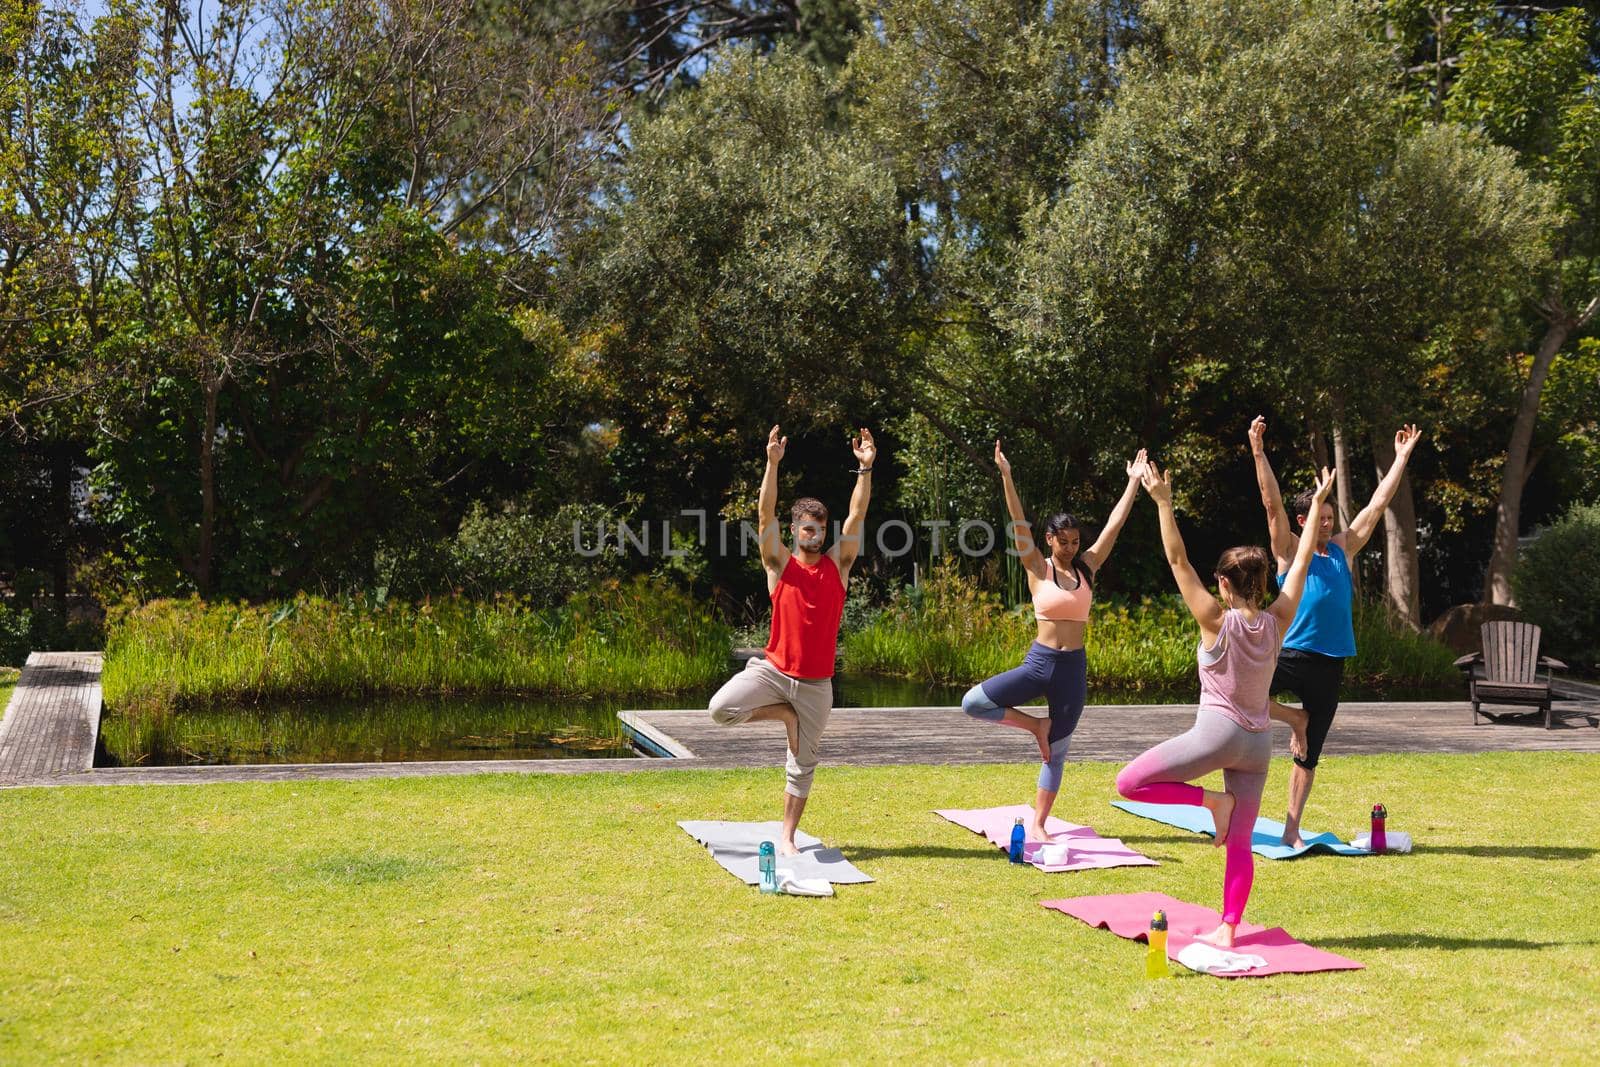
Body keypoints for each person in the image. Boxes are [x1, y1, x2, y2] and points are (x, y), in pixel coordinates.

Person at [1115, 461, 1336, 947]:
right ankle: (1229, 929)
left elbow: (1177, 562)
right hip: (1259, 745)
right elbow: (1299, 566)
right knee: (1241, 843)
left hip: (1217, 736)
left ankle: (1213, 803)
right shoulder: (1278, 618)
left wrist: (1163, 502)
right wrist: (1317, 504)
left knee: (1128, 783)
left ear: (1225, 584)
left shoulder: (1215, 620)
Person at [960, 439, 1147, 841]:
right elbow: (1017, 522)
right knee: (973, 702)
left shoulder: (1088, 568)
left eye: (1076, 542)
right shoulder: (1036, 567)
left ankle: (1040, 824)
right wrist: (1007, 475)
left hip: (1072, 668)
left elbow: (1115, 525)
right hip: (1039, 662)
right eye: (1064, 542)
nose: (1071, 548)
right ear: (1049, 539)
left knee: (1058, 751)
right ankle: (1035, 727)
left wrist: (1132, 482)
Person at [1250, 417, 1423, 846]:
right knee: (1243, 693)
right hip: (1290, 653)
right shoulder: (1290, 550)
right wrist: (1258, 451)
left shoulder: (1343, 549)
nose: (1327, 524)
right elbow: (1271, 504)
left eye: (1330, 517)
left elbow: (1376, 507)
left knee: (1308, 758)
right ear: (1304, 519)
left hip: (1330, 663)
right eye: (1319, 517)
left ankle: (1291, 830)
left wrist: (1400, 459)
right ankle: (1295, 718)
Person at [707, 424, 877, 855]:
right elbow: (764, 516)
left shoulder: (838, 565)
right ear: (796, 529)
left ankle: (787, 837)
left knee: (802, 765)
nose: (813, 534)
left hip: (818, 684)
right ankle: (785, 714)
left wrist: (865, 470)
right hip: (773, 673)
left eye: (819, 528)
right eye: (805, 528)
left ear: (825, 530)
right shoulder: (779, 565)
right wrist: (772, 462)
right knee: (720, 710)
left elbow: (857, 516)